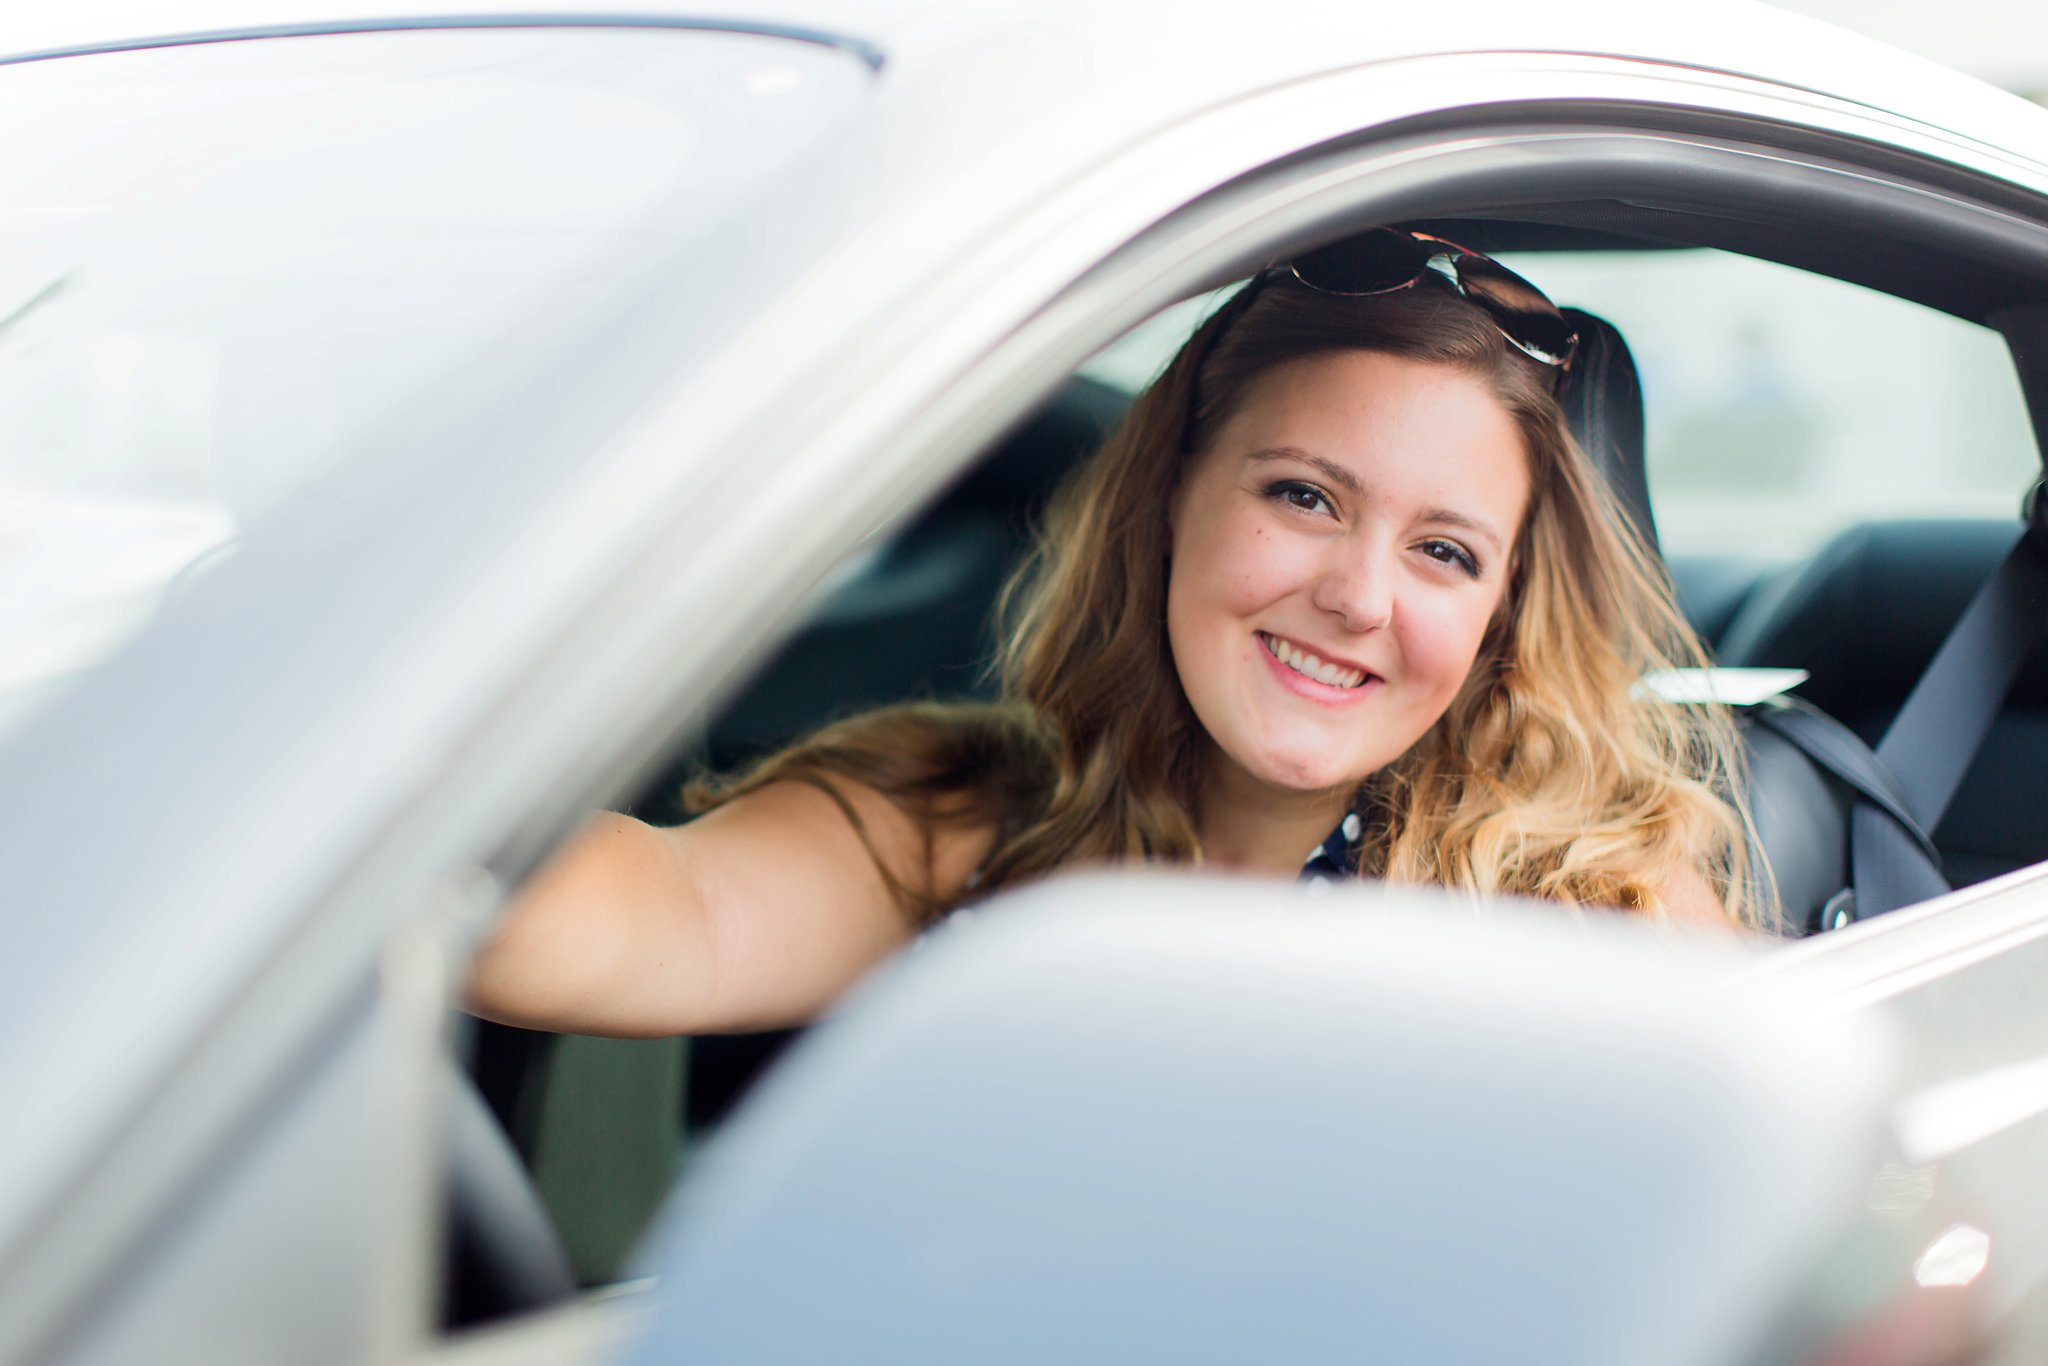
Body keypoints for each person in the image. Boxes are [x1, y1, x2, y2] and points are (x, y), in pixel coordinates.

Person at [467, 228, 1758, 1040]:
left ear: (1498, 613)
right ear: (1172, 499)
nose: (1363, 597)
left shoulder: (1586, 922)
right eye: (1304, 495)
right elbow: (599, 925)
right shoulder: (970, 818)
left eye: (1444, 551)